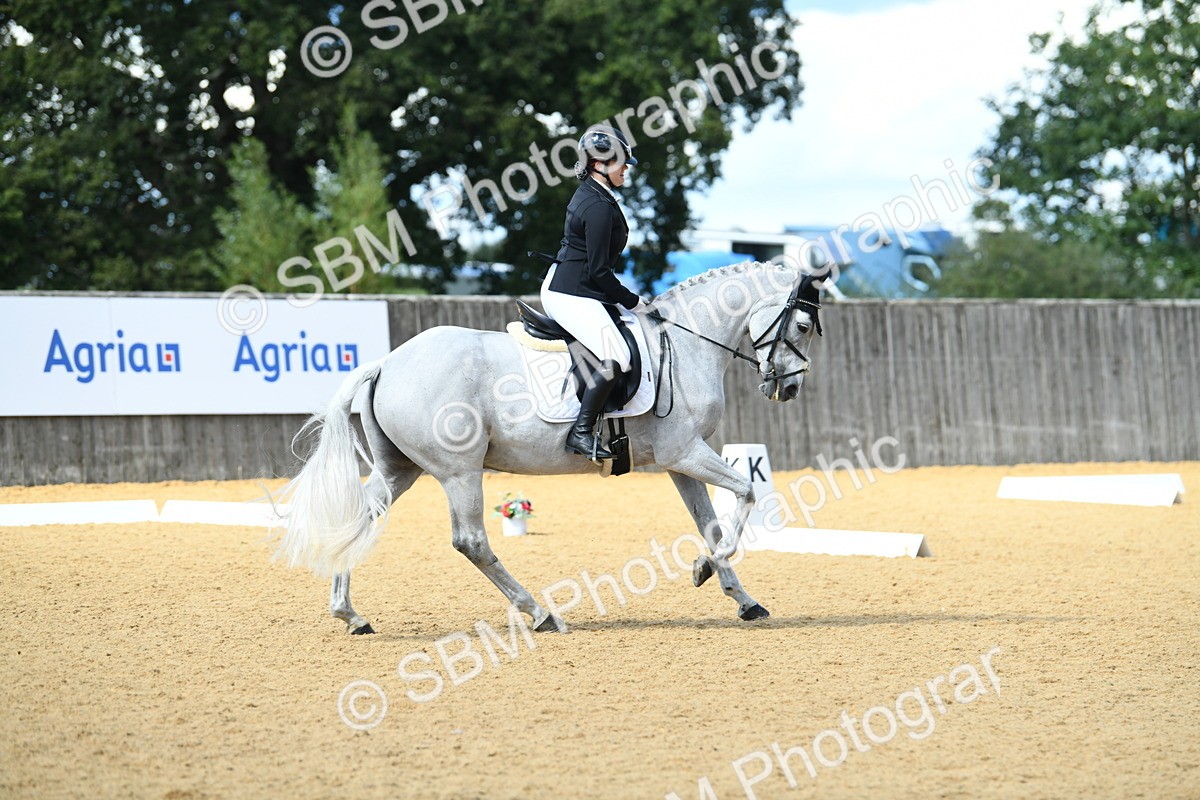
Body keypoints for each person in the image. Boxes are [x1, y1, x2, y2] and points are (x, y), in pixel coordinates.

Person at [540, 125, 648, 461]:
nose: (626, 168)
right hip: (572, 292)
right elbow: (600, 271)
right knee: (618, 356)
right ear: (600, 165)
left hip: (577, 285)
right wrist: (634, 301)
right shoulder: (598, 206)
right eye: (621, 163)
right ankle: (581, 432)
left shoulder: (596, 193)